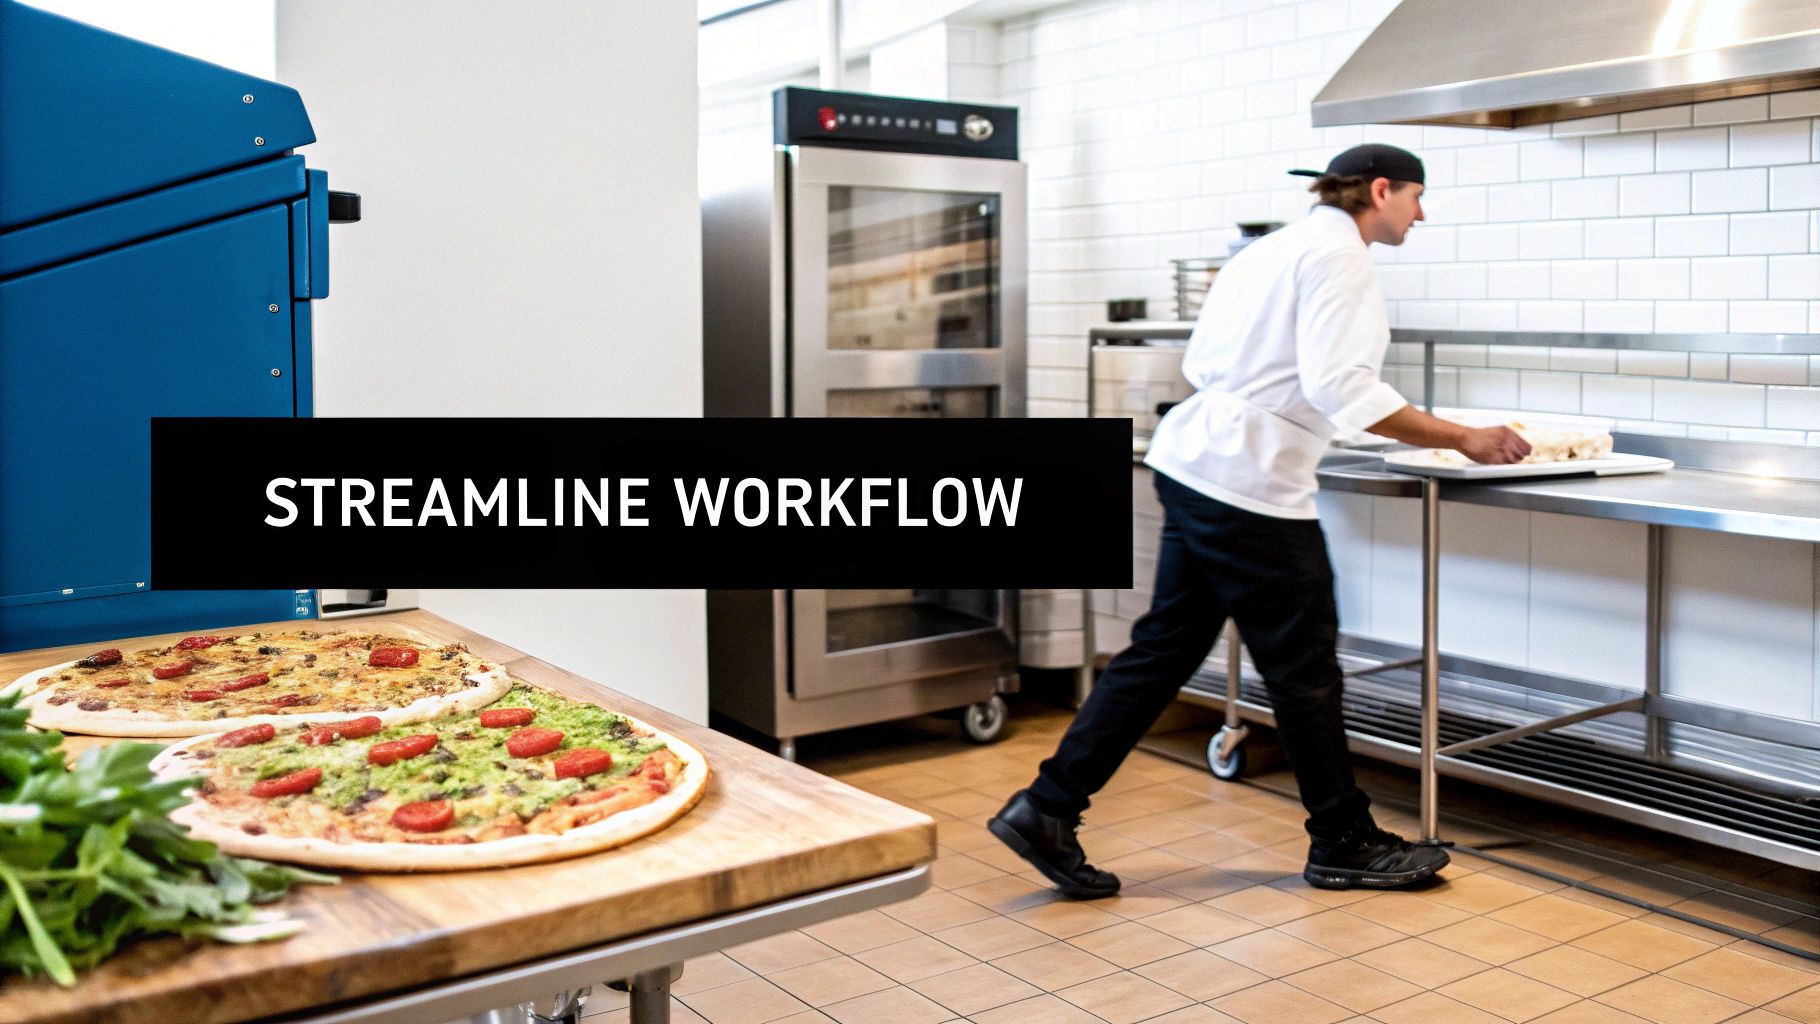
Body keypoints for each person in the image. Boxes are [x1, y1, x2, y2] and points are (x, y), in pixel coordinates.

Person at [989, 144, 1532, 897]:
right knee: (1303, 668)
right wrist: (1463, 437)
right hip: (1247, 483)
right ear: (1381, 190)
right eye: (1415, 196)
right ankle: (1342, 839)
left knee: (1165, 649)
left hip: (1196, 462)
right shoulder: (1342, 259)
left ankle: (1044, 809)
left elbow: (1249, 366)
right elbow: (1342, 384)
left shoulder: (1268, 250)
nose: (1420, 212)